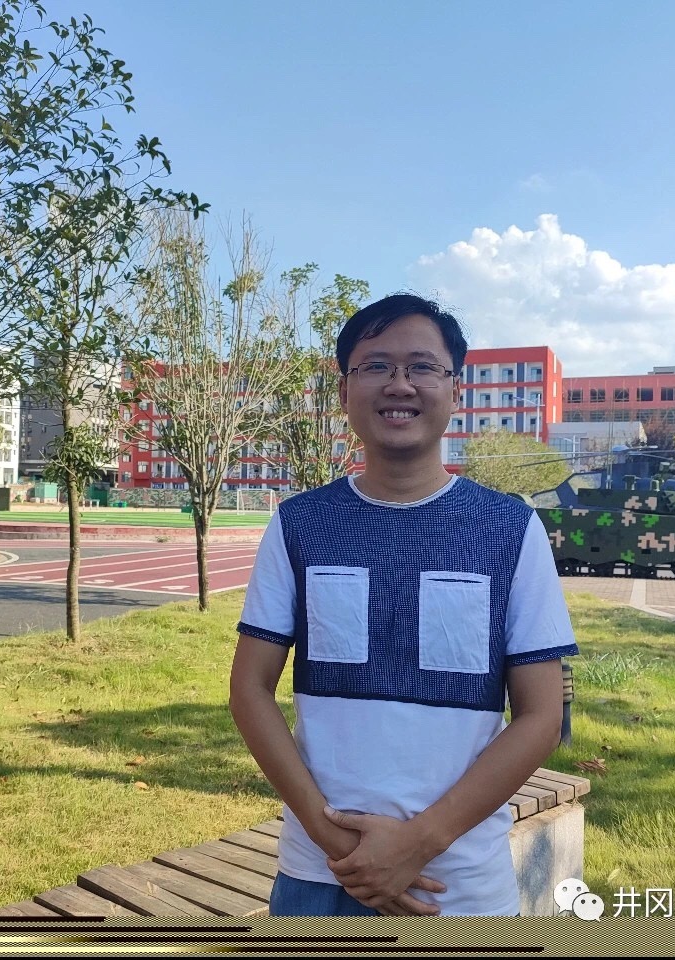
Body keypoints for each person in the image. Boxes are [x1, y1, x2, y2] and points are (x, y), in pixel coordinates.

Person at [229, 293, 578, 917]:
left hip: (459, 889)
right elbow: (250, 689)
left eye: (422, 367)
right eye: (376, 366)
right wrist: (338, 843)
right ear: (344, 391)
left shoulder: (511, 528)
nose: (400, 384)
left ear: (456, 389)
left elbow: (541, 717)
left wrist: (418, 844)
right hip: (319, 877)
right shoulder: (299, 523)